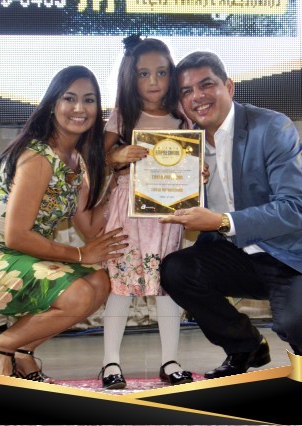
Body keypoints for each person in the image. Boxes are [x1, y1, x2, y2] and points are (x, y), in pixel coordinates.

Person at [159, 51, 302, 378]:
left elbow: (295, 209)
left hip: (293, 256)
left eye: (206, 85)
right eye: (186, 91)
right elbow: (182, 210)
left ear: (229, 87)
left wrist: (221, 221)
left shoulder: (270, 127)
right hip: (238, 256)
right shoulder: (186, 145)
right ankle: (245, 346)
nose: (197, 96)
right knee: (176, 270)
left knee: (300, 325)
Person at [0, 65, 127, 382]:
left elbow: (90, 227)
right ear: (52, 104)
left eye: (89, 100)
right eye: (69, 98)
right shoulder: (38, 157)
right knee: (79, 294)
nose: (80, 108)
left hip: (13, 257)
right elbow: (16, 236)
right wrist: (80, 254)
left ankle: (22, 353)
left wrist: (120, 180)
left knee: (99, 283)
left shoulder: (75, 161)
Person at [99, 35, 194, 389]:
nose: (154, 81)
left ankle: (170, 361)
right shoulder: (123, 114)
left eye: (161, 72)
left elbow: (193, 160)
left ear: (172, 74)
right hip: (129, 211)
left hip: (168, 213)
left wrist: (198, 171)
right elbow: (102, 157)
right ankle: (110, 362)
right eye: (144, 74)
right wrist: (119, 155)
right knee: (120, 285)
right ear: (131, 76)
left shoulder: (182, 116)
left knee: (168, 284)